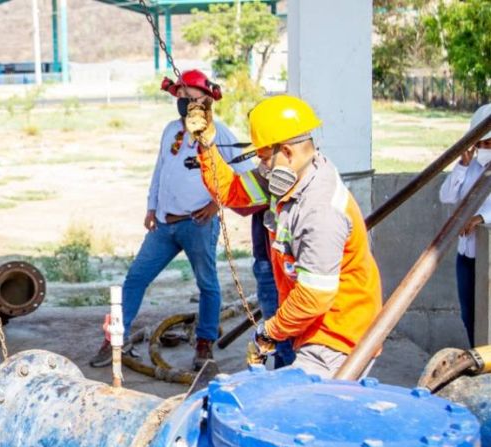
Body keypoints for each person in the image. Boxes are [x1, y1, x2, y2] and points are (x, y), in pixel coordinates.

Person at [186, 94, 382, 378]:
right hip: (308, 323)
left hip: (337, 337)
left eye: (264, 157)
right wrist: (206, 145)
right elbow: (229, 191)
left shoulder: (320, 212)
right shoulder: (289, 177)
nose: (261, 166)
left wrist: (270, 331)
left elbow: (315, 297)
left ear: (287, 152)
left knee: (303, 414)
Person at [89, 69, 241, 370]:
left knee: (207, 284)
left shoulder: (219, 133)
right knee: (135, 279)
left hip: (198, 223)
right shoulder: (171, 129)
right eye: (180, 96)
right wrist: (151, 207)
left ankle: (204, 343)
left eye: (190, 96)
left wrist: (216, 203)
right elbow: (161, 170)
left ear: (206, 101)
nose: (184, 101)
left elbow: (243, 169)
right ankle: (115, 339)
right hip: (164, 223)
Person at [440, 103, 491, 348]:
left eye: (488, 144)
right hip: (467, 256)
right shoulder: (469, 167)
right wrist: (461, 165)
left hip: (488, 257)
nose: (483, 149)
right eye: (480, 144)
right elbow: (447, 195)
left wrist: (481, 219)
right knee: (469, 314)